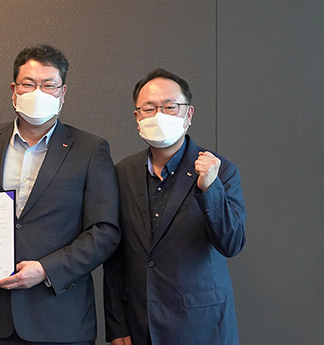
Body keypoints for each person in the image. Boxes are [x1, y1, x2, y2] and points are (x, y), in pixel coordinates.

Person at [0, 44, 120, 345]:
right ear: (14, 90)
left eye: (49, 85)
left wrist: (47, 269)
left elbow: (104, 231)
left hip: (61, 318)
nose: (38, 92)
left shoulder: (90, 149)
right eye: (29, 84)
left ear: (62, 93)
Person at [103, 69, 247, 345]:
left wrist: (210, 189)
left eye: (170, 107)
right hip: (140, 323)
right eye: (149, 108)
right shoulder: (121, 173)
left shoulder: (221, 170)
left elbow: (232, 244)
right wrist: (117, 325)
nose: (159, 115)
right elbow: (115, 256)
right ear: (137, 118)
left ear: (188, 114)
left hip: (202, 325)